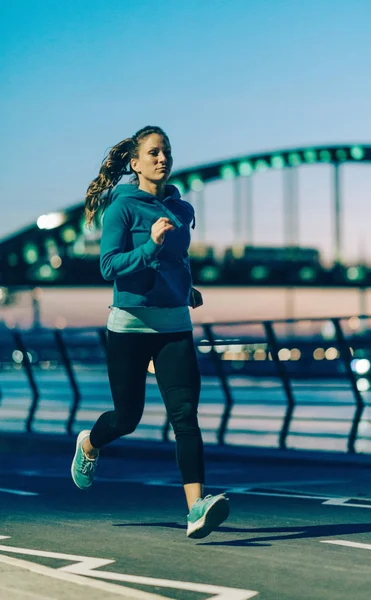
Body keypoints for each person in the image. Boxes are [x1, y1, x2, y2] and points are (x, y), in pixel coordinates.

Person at [71, 125, 229, 539]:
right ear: (135, 163)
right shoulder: (121, 208)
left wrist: (185, 288)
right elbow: (109, 267)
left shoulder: (181, 210)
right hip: (130, 325)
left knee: (185, 416)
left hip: (175, 324)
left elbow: (178, 262)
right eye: (154, 153)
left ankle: (196, 508)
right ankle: (89, 444)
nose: (163, 159)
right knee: (128, 417)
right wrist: (150, 247)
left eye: (167, 153)